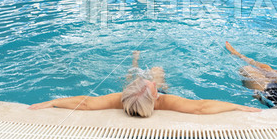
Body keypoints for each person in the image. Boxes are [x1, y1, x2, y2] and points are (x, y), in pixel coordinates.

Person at [29, 51, 261, 117]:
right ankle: (142, 66)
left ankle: (134, 61)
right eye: (152, 88)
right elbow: (201, 107)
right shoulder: (165, 101)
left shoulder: (120, 100)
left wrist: (53, 102)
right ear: (157, 96)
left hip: (134, 96)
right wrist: (237, 106)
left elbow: (87, 104)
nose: (150, 84)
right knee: (158, 73)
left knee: (134, 79)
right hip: (145, 98)